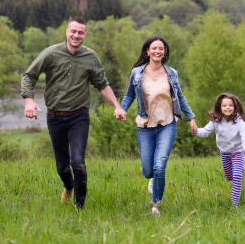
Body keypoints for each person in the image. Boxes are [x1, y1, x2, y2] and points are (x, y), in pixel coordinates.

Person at [21, 17, 125, 209]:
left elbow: (102, 84)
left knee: (78, 162)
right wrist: (29, 99)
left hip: (79, 116)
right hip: (55, 116)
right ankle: (68, 187)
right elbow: (29, 75)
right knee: (62, 166)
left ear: (85, 34)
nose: (77, 35)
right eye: (74, 31)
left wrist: (117, 106)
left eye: (81, 32)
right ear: (67, 32)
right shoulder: (50, 53)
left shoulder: (90, 57)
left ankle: (79, 207)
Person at [116, 36, 197, 215]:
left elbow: (180, 97)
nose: (158, 51)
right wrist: (121, 109)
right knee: (148, 170)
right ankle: (152, 178)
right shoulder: (137, 72)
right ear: (147, 51)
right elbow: (129, 95)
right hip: (145, 125)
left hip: (167, 123)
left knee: (160, 165)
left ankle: (155, 206)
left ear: (164, 52)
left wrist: (191, 117)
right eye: (154, 48)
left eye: (161, 48)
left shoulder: (171, 73)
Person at [191, 93, 245, 207]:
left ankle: (234, 205)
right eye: (224, 105)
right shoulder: (215, 121)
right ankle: (241, 168)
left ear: (235, 107)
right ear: (219, 108)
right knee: (229, 177)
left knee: (236, 176)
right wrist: (196, 131)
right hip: (224, 152)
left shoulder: (239, 122)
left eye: (230, 105)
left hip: (238, 152)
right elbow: (205, 132)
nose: (227, 108)